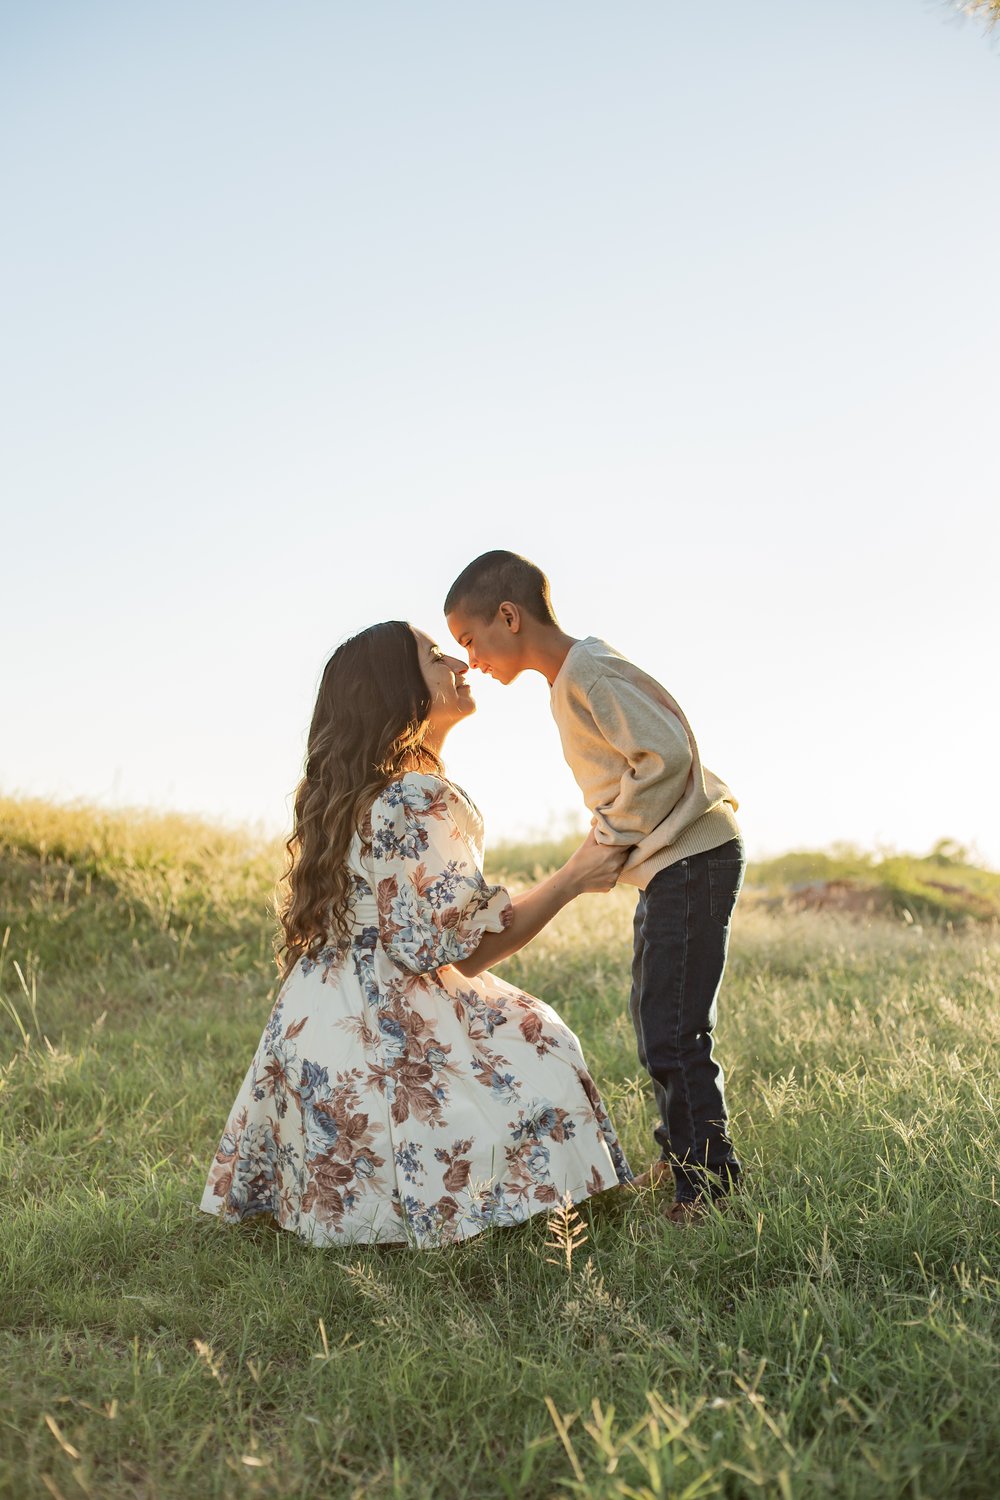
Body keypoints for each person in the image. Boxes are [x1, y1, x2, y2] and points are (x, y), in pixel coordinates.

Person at [201, 620, 632, 1249]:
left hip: (317, 1022)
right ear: (399, 690)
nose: (458, 661)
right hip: (385, 1010)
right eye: (435, 656)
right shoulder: (412, 797)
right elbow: (461, 949)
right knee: (539, 1041)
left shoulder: (354, 794)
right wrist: (572, 877)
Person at [445, 553, 744, 1222]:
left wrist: (610, 836)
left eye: (469, 640)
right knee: (653, 1018)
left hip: (694, 857)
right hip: (669, 866)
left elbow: (664, 754)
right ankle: (681, 1153)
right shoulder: (570, 680)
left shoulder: (588, 671)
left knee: (675, 1028)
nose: (470, 661)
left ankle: (710, 1188)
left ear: (509, 616)